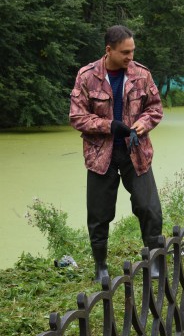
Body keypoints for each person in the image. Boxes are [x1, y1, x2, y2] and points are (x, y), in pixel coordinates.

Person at [70, 25, 163, 283]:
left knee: (149, 208)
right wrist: (109, 126)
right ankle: (100, 266)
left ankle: (153, 260)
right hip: (102, 156)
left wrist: (143, 124)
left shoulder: (142, 74)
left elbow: (155, 109)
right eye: (125, 52)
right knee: (99, 214)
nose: (130, 57)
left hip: (137, 153)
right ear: (108, 50)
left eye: (132, 51)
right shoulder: (87, 76)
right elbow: (77, 117)